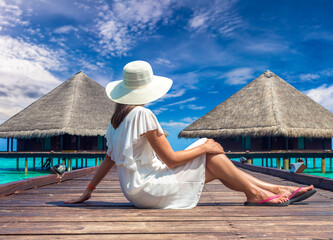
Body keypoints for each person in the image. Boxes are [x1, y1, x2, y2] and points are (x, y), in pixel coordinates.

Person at [65, 61, 316, 208]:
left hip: (134, 191)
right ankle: (258, 194)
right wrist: (206, 148)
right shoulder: (144, 115)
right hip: (150, 189)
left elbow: (109, 159)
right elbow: (172, 160)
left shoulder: (116, 121)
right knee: (211, 152)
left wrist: (89, 189)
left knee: (212, 154)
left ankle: (271, 188)